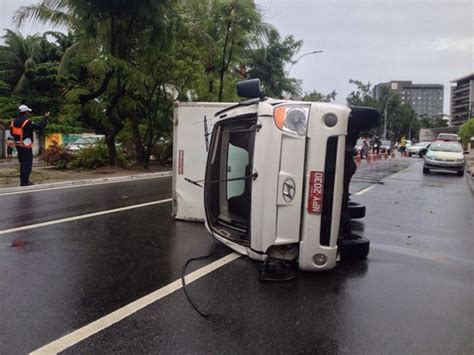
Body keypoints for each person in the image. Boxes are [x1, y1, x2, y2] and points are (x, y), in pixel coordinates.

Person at [10, 105, 49, 186]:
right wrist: (45, 118)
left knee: (22, 163)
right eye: (28, 112)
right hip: (26, 146)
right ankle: (24, 181)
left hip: (18, 145)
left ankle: (23, 180)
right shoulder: (26, 122)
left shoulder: (13, 122)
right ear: (25, 112)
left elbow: (12, 133)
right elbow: (40, 126)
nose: (28, 113)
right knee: (27, 164)